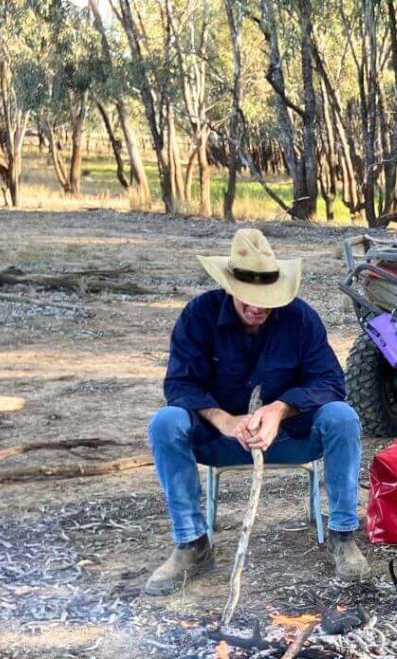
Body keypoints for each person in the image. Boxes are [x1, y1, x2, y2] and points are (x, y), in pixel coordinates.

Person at [144, 228, 371, 595]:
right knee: (165, 422)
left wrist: (280, 409)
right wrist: (224, 420)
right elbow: (179, 385)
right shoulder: (198, 316)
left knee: (342, 416)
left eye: (266, 297)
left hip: (288, 438)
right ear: (229, 285)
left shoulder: (300, 318)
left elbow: (330, 381)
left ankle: (343, 536)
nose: (257, 306)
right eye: (248, 296)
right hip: (219, 440)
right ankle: (192, 544)